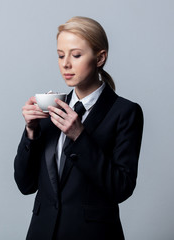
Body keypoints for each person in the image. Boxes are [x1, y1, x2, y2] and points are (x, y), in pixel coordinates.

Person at [14, 16, 143, 240]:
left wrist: (80, 136)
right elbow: (25, 185)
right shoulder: (51, 107)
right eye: (60, 55)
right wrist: (31, 133)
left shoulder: (125, 112)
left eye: (76, 55)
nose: (65, 64)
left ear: (100, 57)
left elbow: (121, 188)